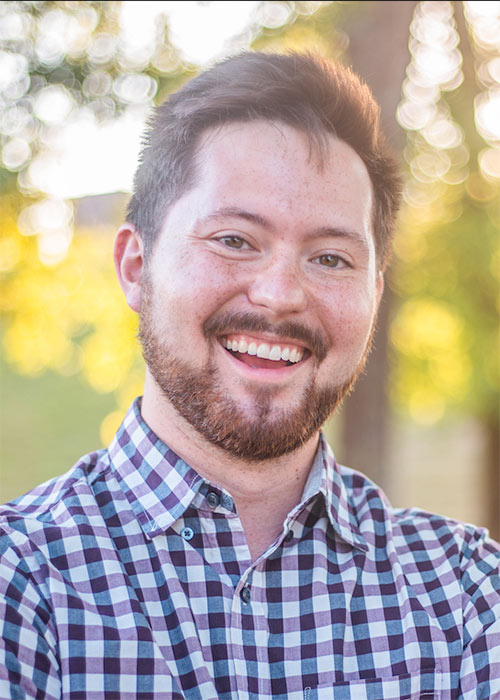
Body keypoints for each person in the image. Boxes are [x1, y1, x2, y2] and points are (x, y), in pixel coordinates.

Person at [0, 51, 498, 700]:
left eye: (329, 257)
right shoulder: (20, 588)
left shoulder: (468, 600)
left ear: (374, 296)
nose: (279, 295)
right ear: (135, 266)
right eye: (235, 240)